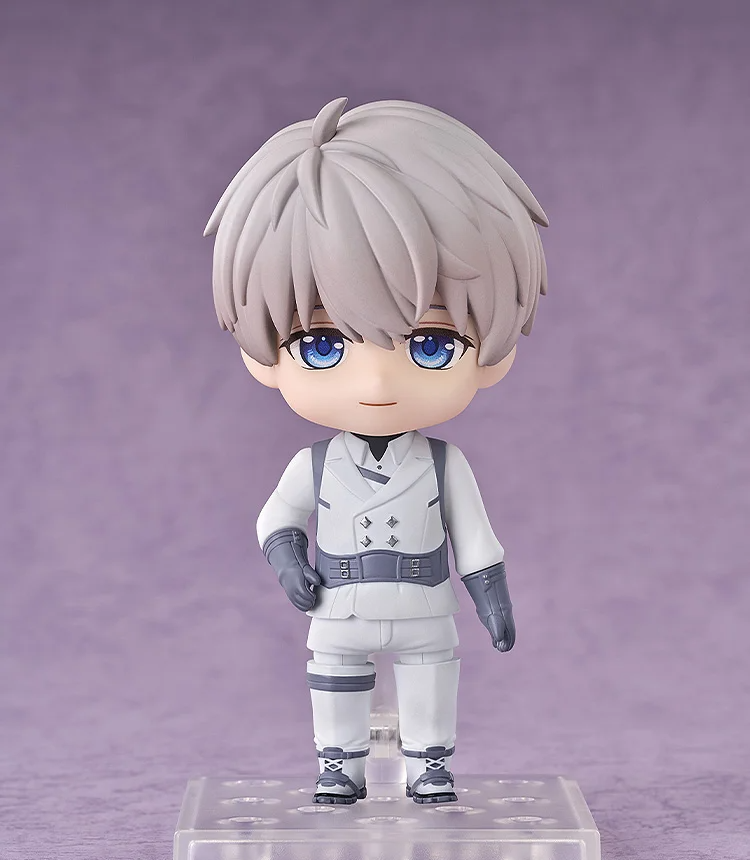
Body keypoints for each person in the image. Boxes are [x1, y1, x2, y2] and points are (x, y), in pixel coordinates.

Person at [204, 97, 548, 805]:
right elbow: (275, 518)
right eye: (321, 344)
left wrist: (492, 598)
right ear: (262, 355)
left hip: (423, 601)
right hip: (339, 604)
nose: (376, 383)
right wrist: (288, 560)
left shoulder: (445, 464)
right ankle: (339, 764)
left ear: (495, 352)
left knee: (430, 679)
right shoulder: (314, 466)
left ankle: (431, 764)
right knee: (335, 681)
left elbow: (476, 538)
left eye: (432, 344)